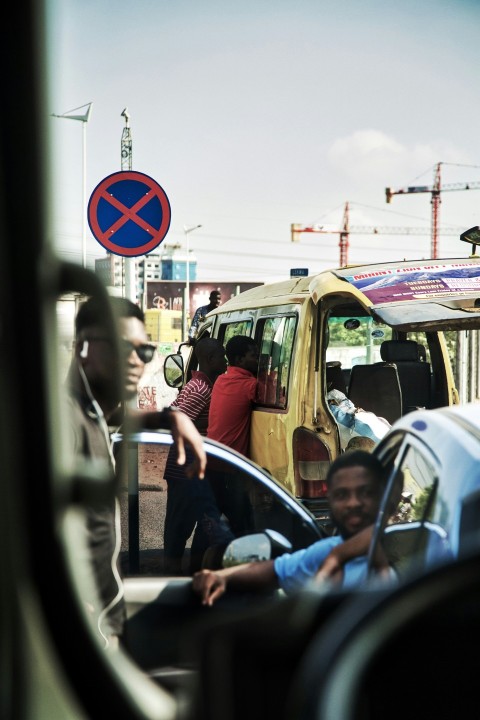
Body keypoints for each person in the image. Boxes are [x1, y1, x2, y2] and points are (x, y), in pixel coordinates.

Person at [65, 294, 206, 649]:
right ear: (81, 347)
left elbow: (113, 417)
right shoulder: (62, 419)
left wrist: (169, 416)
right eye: (120, 345)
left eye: (144, 352)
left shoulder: (88, 410)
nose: (135, 361)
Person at [192, 450, 387, 606]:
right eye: (342, 495)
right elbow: (276, 570)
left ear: (384, 496)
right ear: (331, 502)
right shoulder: (326, 551)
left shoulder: (407, 541)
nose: (353, 503)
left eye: (365, 492)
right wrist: (221, 577)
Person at [163, 337, 232, 574]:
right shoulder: (202, 389)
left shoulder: (197, 384)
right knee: (179, 526)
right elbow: (179, 422)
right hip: (185, 467)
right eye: (222, 357)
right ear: (210, 359)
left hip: (191, 467)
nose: (225, 362)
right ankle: (170, 579)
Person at [207, 334, 259, 459]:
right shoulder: (249, 385)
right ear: (239, 360)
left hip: (212, 453)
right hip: (231, 461)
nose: (258, 360)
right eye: (254, 356)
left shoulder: (220, 380)